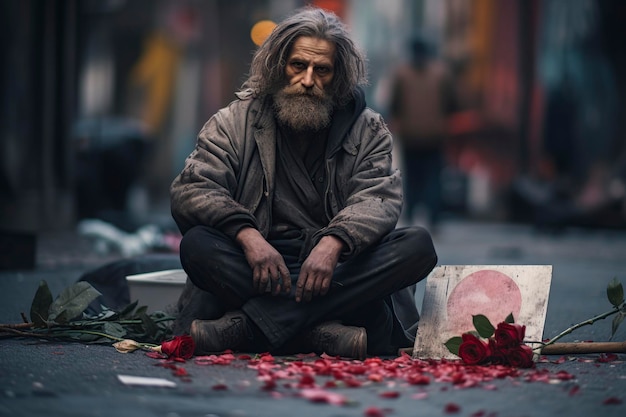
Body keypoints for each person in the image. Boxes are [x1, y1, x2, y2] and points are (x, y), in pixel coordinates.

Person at [170, 7, 437, 359]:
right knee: (197, 245)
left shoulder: (368, 129)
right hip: (258, 269)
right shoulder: (233, 121)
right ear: (279, 65)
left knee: (417, 246)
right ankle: (316, 330)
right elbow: (192, 189)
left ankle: (253, 327)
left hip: (337, 270)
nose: (308, 80)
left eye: (322, 70)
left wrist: (334, 242)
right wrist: (247, 237)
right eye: (298, 65)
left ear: (337, 76)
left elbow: (379, 199)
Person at [388, 35, 457, 228]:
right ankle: (434, 217)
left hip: (410, 135)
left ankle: (411, 215)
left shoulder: (401, 73)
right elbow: (452, 102)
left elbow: (394, 104)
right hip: (435, 134)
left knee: (412, 177)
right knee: (434, 178)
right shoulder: (441, 73)